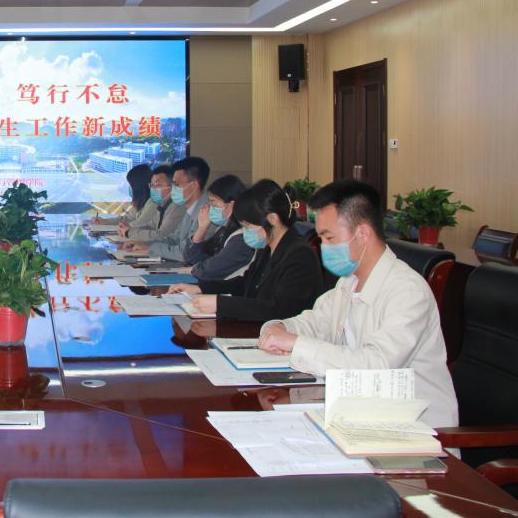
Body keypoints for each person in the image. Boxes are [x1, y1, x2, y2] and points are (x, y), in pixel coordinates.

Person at [258, 179, 458, 428]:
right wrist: (280, 327)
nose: (323, 247)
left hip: (416, 429)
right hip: (362, 414)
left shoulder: (408, 291)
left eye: (329, 238)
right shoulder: (349, 280)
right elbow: (318, 321)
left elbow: (376, 366)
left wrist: (295, 343)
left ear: (362, 234)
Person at [167, 179, 324, 321]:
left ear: (272, 219)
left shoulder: (299, 255)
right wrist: (201, 288)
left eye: (248, 226)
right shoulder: (267, 248)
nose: (245, 231)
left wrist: (220, 304)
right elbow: (244, 284)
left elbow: (281, 310)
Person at [123, 156, 213, 263]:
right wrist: (146, 245)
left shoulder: (207, 211)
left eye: (176, 184)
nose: (172, 188)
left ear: (193, 185)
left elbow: (185, 252)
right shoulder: (190, 208)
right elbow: (173, 238)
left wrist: (151, 248)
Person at [177, 174, 253, 280]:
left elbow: (211, 269)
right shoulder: (222, 230)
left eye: (214, 205)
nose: (210, 209)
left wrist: (193, 270)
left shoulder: (242, 237)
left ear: (232, 205)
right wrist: (202, 228)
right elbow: (192, 258)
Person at [119, 165, 182, 242]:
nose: (153, 189)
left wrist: (129, 232)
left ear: (173, 186)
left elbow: (161, 235)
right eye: (152, 185)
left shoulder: (177, 207)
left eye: (158, 185)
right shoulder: (162, 205)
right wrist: (130, 229)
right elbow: (151, 225)